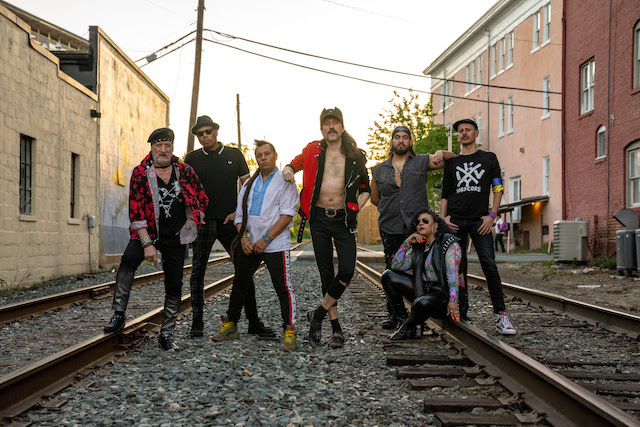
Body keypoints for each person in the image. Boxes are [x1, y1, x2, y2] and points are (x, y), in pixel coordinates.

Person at [103, 128, 209, 351]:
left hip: (175, 236)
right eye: (158, 145)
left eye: (167, 145)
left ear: (172, 147)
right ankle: (118, 314)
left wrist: (191, 223)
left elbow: (201, 197)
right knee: (128, 261)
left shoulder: (184, 170)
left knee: (174, 284)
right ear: (151, 148)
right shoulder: (140, 172)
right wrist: (146, 244)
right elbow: (135, 211)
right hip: (147, 232)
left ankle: (166, 334)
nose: (163, 149)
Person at [283, 107, 370, 349]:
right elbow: (293, 164)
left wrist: (356, 208)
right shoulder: (312, 150)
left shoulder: (355, 156)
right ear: (321, 128)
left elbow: (366, 188)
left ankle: (318, 314)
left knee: (347, 270)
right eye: (327, 123)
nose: (331, 127)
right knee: (326, 273)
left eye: (335, 123)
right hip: (319, 219)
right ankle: (336, 330)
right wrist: (288, 169)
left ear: (342, 126)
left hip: (343, 220)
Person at [185, 115, 274, 339]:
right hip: (204, 223)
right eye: (200, 134)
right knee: (197, 272)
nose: (204, 136)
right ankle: (197, 323)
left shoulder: (234, 155)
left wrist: (238, 213)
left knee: (244, 271)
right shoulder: (192, 158)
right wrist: (194, 214)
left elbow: (249, 187)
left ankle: (253, 323)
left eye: (208, 131)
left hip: (230, 222)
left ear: (216, 131)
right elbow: (186, 191)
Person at [211, 141, 299, 351]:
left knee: (283, 287)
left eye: (267, 154)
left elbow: (287, 214)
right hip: (250, 243)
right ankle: (231, 325)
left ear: (275, 155)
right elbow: (239, 215)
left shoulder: (285, 181)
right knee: (239, 283)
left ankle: (289, 331)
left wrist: (266, 239)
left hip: (275, 244)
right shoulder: (249, 183)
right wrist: (243, 239)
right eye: (259, 155)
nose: (263, 158)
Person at [370, 125, 455, 330]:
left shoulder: (421, 161)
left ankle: (419, 313)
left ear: (410, 141)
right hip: (389, 225)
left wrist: (440, 152)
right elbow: (374, 198)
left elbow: (453, 159)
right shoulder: (379, 169)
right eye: (397, 137)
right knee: (391, 268)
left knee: (419, 268)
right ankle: (395, 315)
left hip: (417, 226)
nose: (401, 140)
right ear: (392, 141)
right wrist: (390, 207)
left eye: (405, 137)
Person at [440, 118, 516, 335]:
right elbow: (445, 194)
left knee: (489, 265)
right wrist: (442, 219)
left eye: (468, 130)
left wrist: (492, 215)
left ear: (476, 133)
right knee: (457, 268)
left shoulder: (489, 158)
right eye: (460, 131)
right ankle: (460, 312)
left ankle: (501, 316)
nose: (464, 133)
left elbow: (498, 188)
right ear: (457, 136)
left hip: (480, 221)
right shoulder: (452, 163)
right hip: (455, 221)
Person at [382, 209, 463, 340]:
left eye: (425, 221)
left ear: (435, 225)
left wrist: (453, 301)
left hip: (442, 295)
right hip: (423, 290)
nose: (420, 223)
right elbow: (397, 266)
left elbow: (452, 274)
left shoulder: (448, 243)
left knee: (421, 302)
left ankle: (407, 327)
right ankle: (403, 320)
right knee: (388, 275)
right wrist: (407, 242)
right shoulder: (419, 246)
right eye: (417, 222)